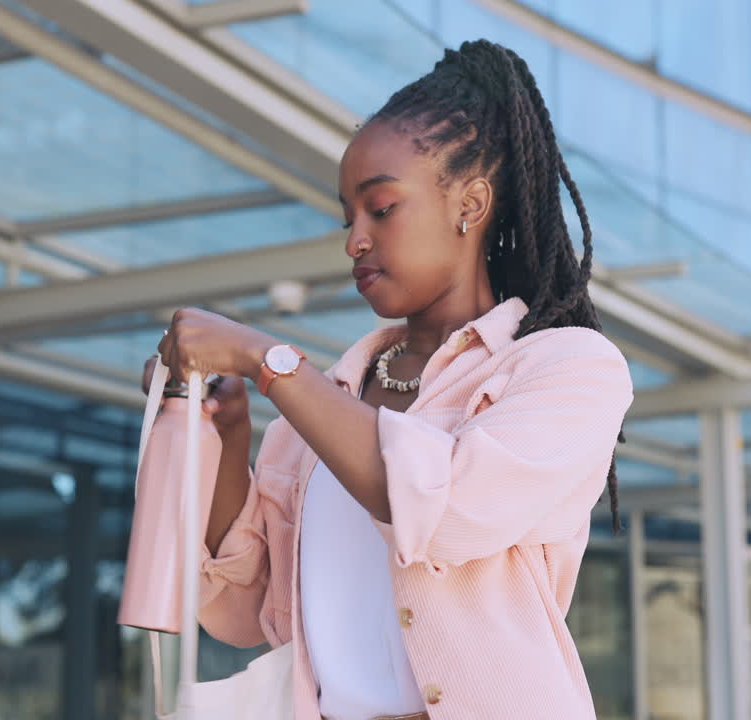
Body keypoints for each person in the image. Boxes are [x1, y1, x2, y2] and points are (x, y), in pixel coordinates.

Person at [148, 38, 633, 720]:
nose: (355, 240)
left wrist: (266, 359)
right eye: (349, 219)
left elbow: (448, 509)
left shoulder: (568, 368)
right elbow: (242, 610)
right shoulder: (320, 411)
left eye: (381, 209)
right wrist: (228, 435)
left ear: (470, 203)